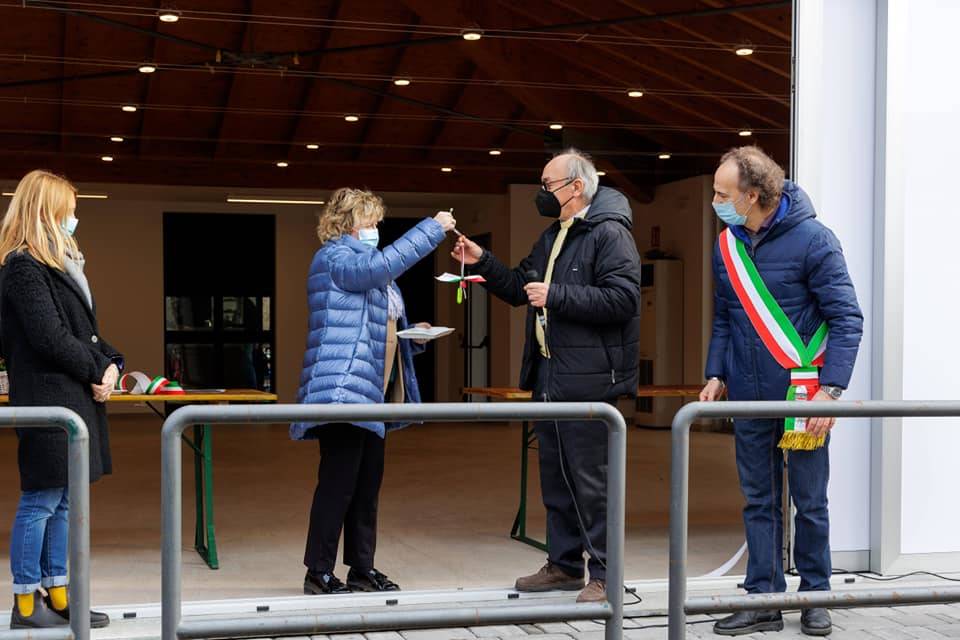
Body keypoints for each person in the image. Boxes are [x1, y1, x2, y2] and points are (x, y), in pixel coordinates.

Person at [453, 148, 641, 603]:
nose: (542, 192)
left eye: (548, 184)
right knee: (555, 477)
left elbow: (623, 300)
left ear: (577, 187)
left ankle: (605, 574)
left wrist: (556, 295)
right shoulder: (555, 235)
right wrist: (481, 259)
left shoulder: (610, 234)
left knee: (591, 482)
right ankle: (564, 565)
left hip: (590, 379)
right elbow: (521, 288)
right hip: (550, 374)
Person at [699, 147, 863, 637]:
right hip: (748, 393)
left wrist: (830, 391)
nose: (715, 201)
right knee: (758, 499)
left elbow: (847, 318)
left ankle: (816, 596)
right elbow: (727, 315)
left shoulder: (816, 240)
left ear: (753, 196)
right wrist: (716, 373)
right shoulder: (726, 245)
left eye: (723, 194)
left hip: (802, 396)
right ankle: (763, 600)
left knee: (810, 501)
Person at [292, 188, 455, 595]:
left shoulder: (366, 265)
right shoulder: (335, 258)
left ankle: (361, 568)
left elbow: (375, 323)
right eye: (372, 222)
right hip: (342, 388)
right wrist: (433, 228)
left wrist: (411, 335)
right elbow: (378, 270)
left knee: (366, 486)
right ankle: (319, 572)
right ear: (349, 223)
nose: (376, 229)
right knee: (338, 484)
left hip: (372, 394)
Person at [0, 170, 122, 630]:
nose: (75, 217)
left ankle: (59, 595)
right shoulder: (24, 268)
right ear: (47, 212)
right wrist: (96, 368)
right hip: (51, 401)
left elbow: (83, 333)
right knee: (41, 501)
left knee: (63, 502)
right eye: (69, 209)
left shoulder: (58, 266)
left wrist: (112, 362)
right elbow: (50, 337)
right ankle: (27, 605)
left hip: (71, 402)